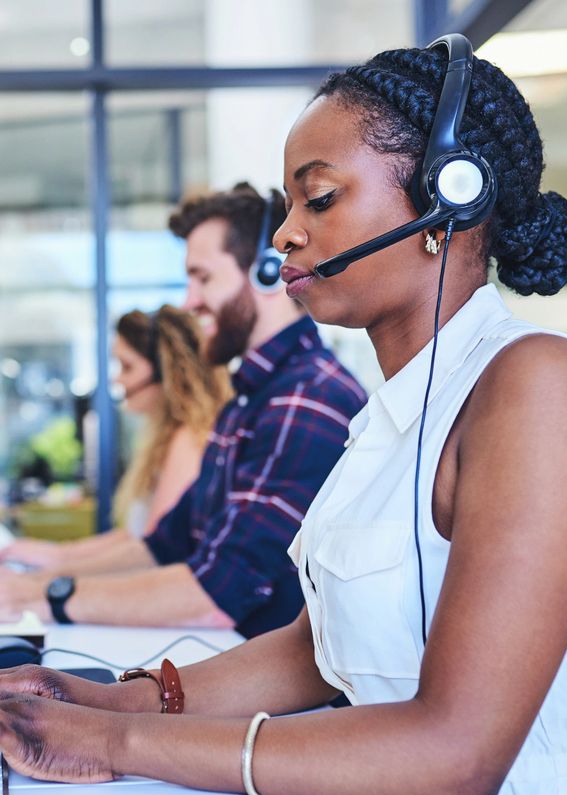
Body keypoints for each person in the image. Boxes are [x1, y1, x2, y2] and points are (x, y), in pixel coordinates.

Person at [0, 36, 567, 795]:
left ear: (450, 199)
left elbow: (457, 753)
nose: (284, 234)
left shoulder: (538, 383)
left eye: (318, 198)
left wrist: (119, 741)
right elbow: (317, 650)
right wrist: (117, 697)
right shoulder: (389, 418)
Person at [0, 183, 366, 637]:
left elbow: (215, 598)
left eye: (203, 277)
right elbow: (163, 545)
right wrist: (41, 575)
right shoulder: (253, 399)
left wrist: (42, 596)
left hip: (274, 694)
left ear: (268, 273)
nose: (190, 301)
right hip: (229, 664)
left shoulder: (305, 399)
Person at [112, 304, 232, 537]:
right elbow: (134, 540)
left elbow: (152, 552)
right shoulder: (167, 435)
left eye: (127, 367)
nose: (118, 379)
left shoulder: (189, 441)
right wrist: (58, 556)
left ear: (165, 372)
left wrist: (58, 563)